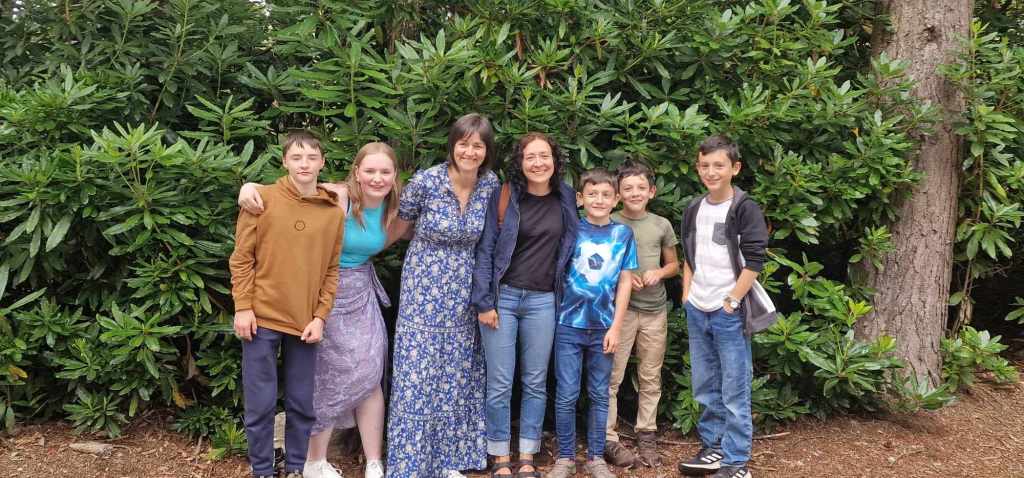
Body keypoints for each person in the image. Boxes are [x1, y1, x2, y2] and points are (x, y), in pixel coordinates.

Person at [237, 142, 402, 478]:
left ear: (395, 175)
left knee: (367, 372)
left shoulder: (394, 208)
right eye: (370, 170)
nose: (377, 178)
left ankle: (363, 461)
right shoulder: (335, 198)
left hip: (351, 295)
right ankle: (292, 464)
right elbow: (297, 188)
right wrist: (248, 187)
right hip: (306, 297)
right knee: (309, 381)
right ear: (356, 172)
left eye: (385, 171)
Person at [385, 113, 500, 477]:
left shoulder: (491, 184)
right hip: (423, 286)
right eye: (463, 144)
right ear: (452, 144)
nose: (470, 152)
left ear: (487, 151)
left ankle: (451, 461)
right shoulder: (427, 181)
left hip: (467, 290)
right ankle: (411, 462)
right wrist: (353, 255)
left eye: (478, 145)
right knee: (417, 372)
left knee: (458, 373)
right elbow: (397, 229)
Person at [229, 131, 344, 478]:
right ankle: (262, 469)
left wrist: (320, 316)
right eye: (296, 157)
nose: (304, 164)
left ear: (322, 162)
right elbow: (241, 259)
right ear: (284, 162)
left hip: (305, 322)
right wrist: (243, 307)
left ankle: (295, 467)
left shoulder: (332, 212)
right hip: (261, 319)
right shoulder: (260, 200)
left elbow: (331, 269)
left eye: (311, 157)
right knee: (260, 403)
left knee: (301, 403)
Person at [470, 132, 578, 477]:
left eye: (544, 156)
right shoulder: (505, 196)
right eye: (530, 157)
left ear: (555, 160)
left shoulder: (566, 197)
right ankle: (500, 456)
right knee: (500, 383)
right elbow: (486, 250)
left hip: (544, 301)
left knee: (535, 381)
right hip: (503, 299)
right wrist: (484, 301)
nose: (538, 163)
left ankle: (528, 455)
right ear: (520, 162)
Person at [677, 135, 775, 478]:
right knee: (704, 385)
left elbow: (755, 261)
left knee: (734, 388)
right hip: (698, 307)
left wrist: (732, 300)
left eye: (718, 165)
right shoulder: (694, 208)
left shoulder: (745, 208)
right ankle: (714, 449)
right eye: (704, 165)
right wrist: (687, 295)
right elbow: (688, 255)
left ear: (735, 168)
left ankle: (736, 462)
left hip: (728, 311)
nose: (711, 171)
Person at [548, 168, 638, 478]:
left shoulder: (623, 234)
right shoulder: (570, 230)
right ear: (580, 198)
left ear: (616, 199)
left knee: (600, 394)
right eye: (592, 194)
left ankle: (596, 457)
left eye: (605, 195)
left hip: (603, 327)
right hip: (568, 324)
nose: (599, 200)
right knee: (567, 393)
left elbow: (625, 282)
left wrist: (616, 326)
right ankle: (565, 458)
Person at [604, 160, 679, 468]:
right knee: (612, 375)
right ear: (618, 194)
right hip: (619, 312)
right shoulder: (610, 221)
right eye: (628, 188)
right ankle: (608, 436)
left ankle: (646, 432)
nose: (635, 193)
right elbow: (597, 264)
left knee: (650, 375)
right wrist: (622, 278)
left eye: (640, 187)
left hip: (654, 311)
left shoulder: (661, 224)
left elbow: (674, 264)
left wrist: (659, 273)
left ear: (652, 191)